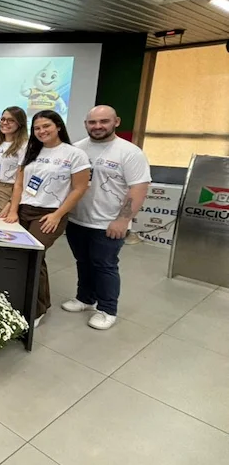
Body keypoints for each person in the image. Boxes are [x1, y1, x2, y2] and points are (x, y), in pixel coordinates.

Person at [62, 106, 151, 330]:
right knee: (83, 262)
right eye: (92, 122)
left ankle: (107, 309)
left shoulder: (129, 152)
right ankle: (85, 298)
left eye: (104, 121)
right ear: (85, 124)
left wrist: (123, 220)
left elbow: (138, 189)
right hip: (78, 220)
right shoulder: (77, 149)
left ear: (116, 122)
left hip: (108, 223)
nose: (98, 126)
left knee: (105, 265)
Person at [4, 110, 90, 327]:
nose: (41, 131)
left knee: (34, 255)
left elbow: (79, 189)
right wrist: (14, 210)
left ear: (58, 126)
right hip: (24, 210)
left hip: (50, 213)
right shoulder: (30, 150)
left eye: (46, 126)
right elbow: (19, 184)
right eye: (37, 128)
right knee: (21, 257)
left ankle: (37, 309)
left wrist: (58, 215)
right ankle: (21, 299)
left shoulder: (74, 154)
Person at [0, 106, 28, 214]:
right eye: (3, 119)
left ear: (20, 123)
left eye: (11, 120)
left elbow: (21, 180)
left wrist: (11, 201)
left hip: (6, 188)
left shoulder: (24, 145)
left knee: (2, 223)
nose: (5, 123)